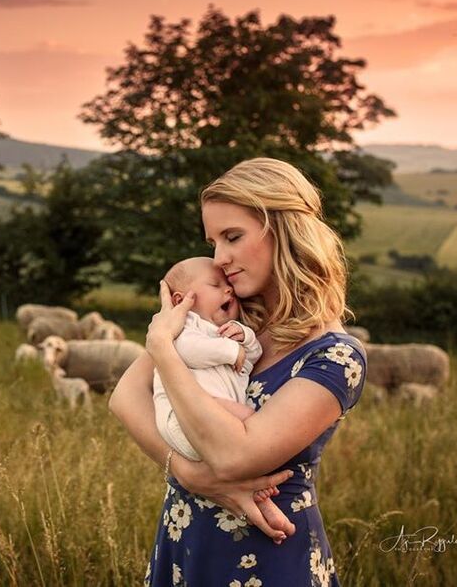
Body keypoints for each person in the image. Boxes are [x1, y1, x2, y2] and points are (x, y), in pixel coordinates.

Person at [108, 157, 367, 586]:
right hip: (185, 540)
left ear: (284, 231)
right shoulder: (228, 317)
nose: (220, 258)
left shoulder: (335, 357)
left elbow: (233, 457)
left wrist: (162, 347)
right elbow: (124, 397)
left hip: (268, 556)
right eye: (213, 241)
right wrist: (188, 474)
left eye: (233, 236)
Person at [155, 256, 264, 462]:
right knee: (253, 423)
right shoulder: (184, 325)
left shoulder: (220, 333)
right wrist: (231, 349)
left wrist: (245, 337)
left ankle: (251, 482)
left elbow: (247, 362)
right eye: (215, 285)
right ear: (181, 300)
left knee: (247, 439)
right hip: (182, 418)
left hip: (213, 421)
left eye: (228, 284)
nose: (228, 289)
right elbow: (189, 350)